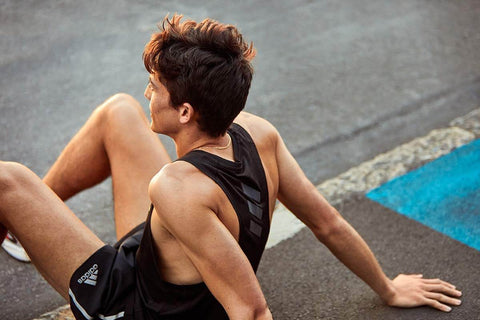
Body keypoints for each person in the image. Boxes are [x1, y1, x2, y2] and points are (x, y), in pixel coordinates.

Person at [0, 14, 462, 320]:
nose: (148, 93)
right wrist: (387, 287)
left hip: (131, 305)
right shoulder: (255, 130)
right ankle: (24, 231)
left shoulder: (176, 188)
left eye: (155, 86)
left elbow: (254, 311)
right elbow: (328, 223)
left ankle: (18, 218)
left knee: (8, 181)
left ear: (184, 112)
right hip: (158, 255)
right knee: (119, 112)